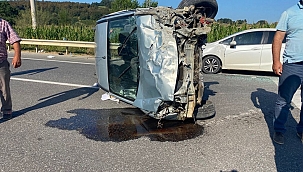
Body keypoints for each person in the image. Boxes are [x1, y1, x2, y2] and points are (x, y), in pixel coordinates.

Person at [272, 0, 303, 144]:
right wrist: (276, 61)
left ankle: (301, 130)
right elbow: (278, 38)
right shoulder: (289, 13)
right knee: (284, 100)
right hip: (292, 64)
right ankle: (279, 130)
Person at [0, 18, 22, 120]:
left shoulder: (3, 23)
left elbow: (15, 40)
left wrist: (17, 55)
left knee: (4, 88)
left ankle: (7, 109)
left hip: (1, 62)